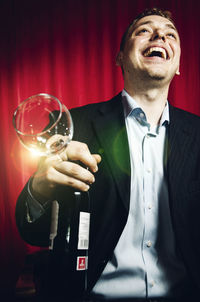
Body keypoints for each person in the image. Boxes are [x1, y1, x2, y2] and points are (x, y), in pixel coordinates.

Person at [15, 7, 200, 302]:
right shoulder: (70, 125)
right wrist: (39, 188)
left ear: (177, 64)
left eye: (170, 34)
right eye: (144, 31)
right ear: (120, 57)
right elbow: (34, 233)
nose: (159, 36)